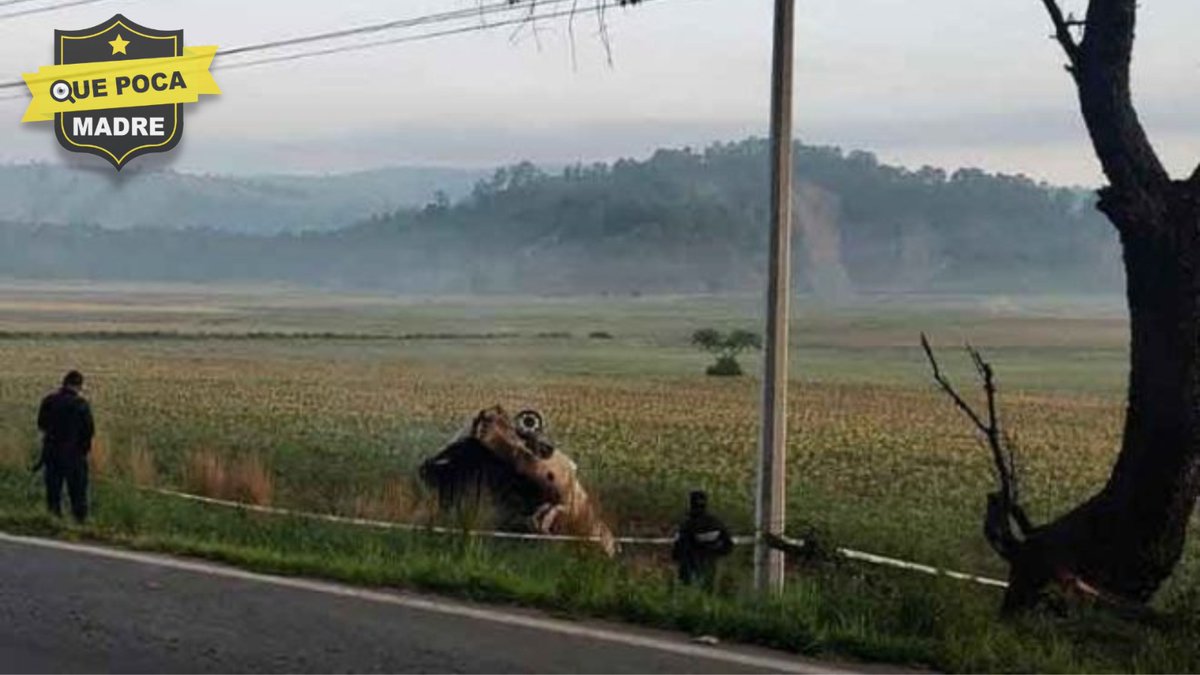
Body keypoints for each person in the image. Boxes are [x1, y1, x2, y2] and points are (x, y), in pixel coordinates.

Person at [36, 370, 94, 522]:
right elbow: (89, 431)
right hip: (74, 455)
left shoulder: (48, 400)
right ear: (78, 386)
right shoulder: (81, 405)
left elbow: (41, 424)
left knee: (53, 490)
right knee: (77, 492)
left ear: (64, 383)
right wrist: (84, 450)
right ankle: (79, 522)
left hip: (51, 452)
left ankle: (53, 519)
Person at [671, 490, 733, 590]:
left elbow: (678, 547)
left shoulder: (687, 524)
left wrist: (678, 558)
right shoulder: (715, 523)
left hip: (689, 565)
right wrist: (715, 552)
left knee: (688, 591)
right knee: (707, 590)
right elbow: (728, 544)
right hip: (709, 564)